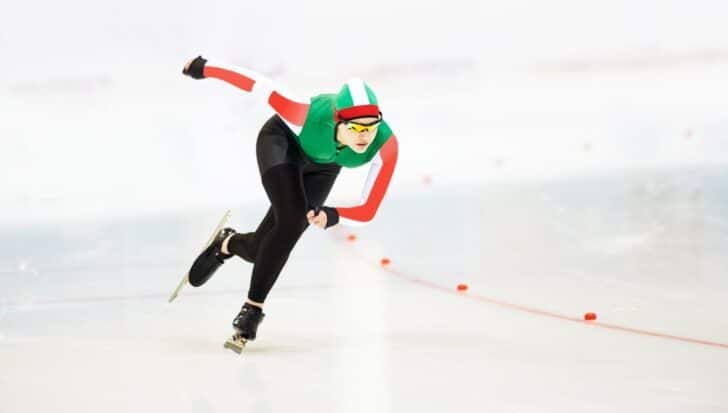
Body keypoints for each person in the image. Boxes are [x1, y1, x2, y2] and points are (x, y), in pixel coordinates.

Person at [181, 55, 399, 344]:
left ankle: (227, 243)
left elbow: (369, 209)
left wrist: (333, 215)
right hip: (282, 144)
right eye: (356, 128)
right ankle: (252, 309)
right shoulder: (301, 114)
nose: (364, 137)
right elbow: (256, 83)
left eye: (371, 126)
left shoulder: (386, 145)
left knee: (268, 245)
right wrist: (203, 67)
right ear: (337, 120)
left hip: (324, 165)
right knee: (291, 221)